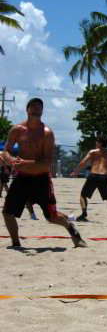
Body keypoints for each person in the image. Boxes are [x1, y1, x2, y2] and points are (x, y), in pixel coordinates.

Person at [2, 98, 87, 248]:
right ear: (27, 109)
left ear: (42, 111)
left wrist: (26, 163)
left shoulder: (47, 133)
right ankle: (16, 243)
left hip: (41, 179)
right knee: (7, 213)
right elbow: (6, 150)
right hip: (21, 178)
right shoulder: (16, 130)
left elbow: (48, 162)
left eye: (39, 106)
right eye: (33, 106)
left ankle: (70, 227)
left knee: (51, 217)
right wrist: (12, 160)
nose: (36, 108)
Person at [70, 136, 107, 222]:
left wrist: (75, 172)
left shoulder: (92, 152)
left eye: (97, 142)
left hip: (93, 176)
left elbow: (82, 163)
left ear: (100, 143)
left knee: (83, 196)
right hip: (104, 177)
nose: (95, 143)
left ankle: (84, 212)